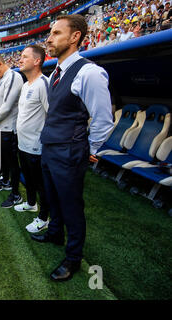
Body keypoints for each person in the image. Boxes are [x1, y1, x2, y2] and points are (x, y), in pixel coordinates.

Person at [31, 14, 113, 281]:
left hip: (70, 151)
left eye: (55, 33)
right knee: (53, 197)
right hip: (51, 147)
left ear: (75, 36)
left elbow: (103, 118)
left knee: (72, 206)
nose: (48, 38)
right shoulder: (56, 71)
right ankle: (55, 232)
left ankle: (73, 258)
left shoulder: (89, 72)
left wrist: (93, 148)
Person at [14, 45, 50, 234]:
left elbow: (51, 114)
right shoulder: (26, 85)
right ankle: (30, 203)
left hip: (36, 145)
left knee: (40, 183)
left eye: (24, 56)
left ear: (37, 61)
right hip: (23, 143)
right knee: (28, 177)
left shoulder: (43, 83)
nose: (20, 60)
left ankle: (43, 218)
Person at [0, 52, 24, 208]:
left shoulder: (13, 77)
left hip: (8, 127)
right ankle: (6, 181)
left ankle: (16, 194)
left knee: (12, 162)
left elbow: (7, 105)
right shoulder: (0, 80)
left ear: (0, 64)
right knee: (4, 159)